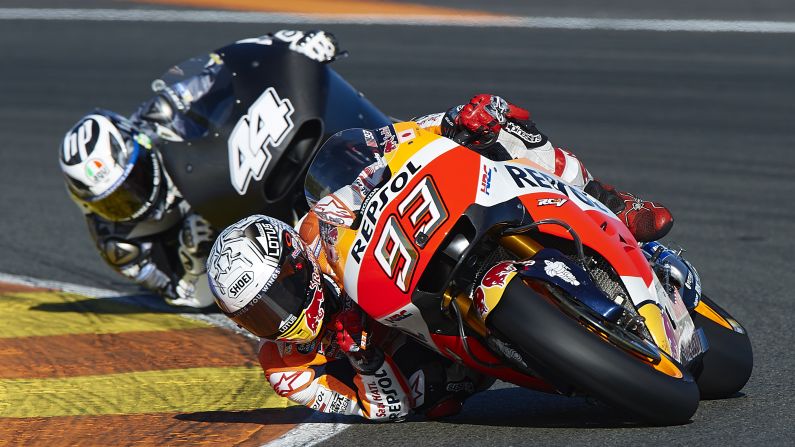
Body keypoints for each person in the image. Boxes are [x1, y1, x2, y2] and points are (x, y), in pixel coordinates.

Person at [206, 94, 676, 421]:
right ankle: (561, 359)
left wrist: (452, 123)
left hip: (427, 261)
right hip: (423, 365)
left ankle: (610, 202)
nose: (278, 319)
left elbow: (389, 150)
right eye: (256, 318)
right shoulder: (284, 368)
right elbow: (378, 410)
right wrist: (363, 358)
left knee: (495, 128)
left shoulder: (317, 229)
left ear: (296, 263)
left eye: (277, 298)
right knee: (432, 398)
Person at [58, 30, 342, 307]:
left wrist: (294, 45)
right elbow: (182, 293)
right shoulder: (119, 245)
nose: (133, 200)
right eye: (113, 203)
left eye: (135, 179)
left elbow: (226, 66)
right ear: (88, 206)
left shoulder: (160, 114)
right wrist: (194, 259)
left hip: (250, 168)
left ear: (140, 144)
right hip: (252, 249)